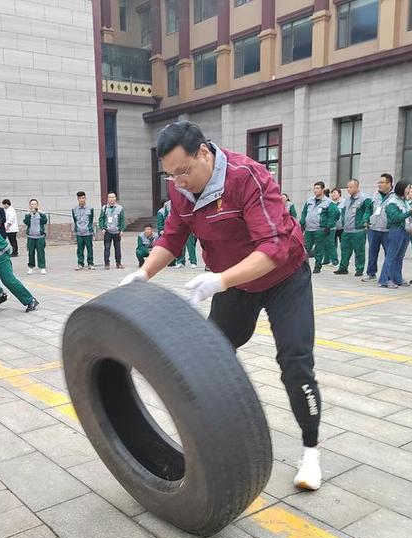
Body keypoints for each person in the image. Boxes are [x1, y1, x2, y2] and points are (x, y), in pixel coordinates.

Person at [120, 121, 322, 490]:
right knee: (206, 357)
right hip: (234, 283)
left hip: (284, 279)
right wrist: (144, 273)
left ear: (204, 153)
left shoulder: (249, 177)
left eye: (183, 172)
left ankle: (311, 451)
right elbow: (173, 236)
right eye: (170, 176)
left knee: (295, 364)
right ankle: (210, 439)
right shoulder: (181, 189)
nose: (178, 182)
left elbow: (273, 248)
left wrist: (219, 281)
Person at [378, 180, 412, 289]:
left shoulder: (404, 201)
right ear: (401, 188)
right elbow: (395, 218)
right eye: (408, 188)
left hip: (405, 230)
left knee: (399, 257)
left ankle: (397, 278)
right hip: (396, 230)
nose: (409, 190)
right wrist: (411, 212)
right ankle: (384, 279)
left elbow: (407, 216)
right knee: (391, 256)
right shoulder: (392, 202)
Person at [300, 181, 339, 273]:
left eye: (318, 188)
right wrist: (302, 222)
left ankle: (317, 267)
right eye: (314, 188)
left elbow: (334, 214)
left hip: (320, 229)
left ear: (322, 189)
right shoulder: (309, 201)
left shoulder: (329, 202)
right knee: (305, 248)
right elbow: (304, 212)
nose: (315, 190)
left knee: (319, 249)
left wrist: (328, 226)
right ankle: (301, 266)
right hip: (309, 230)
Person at [335, 179, 371, 276]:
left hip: (358, 230)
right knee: (344, 250)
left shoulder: (364, 198)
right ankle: (343, 268)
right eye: (347, 187)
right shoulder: (347, 199)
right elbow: (343, 212)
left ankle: (359, 269)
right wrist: (342, 221)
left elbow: (368, 211)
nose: (348, 189)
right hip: (346, 230)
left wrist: (364, 221)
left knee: (359, 251)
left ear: (357, 187)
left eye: (351, 187)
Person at [362, 174, 394, 282]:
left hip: (387, 230)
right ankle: (371, 274)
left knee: (388, 254)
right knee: (372, 253)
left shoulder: (394, 196)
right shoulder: (375, 195)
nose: (379, 184)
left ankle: (389, 275)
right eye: (379, 182)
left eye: (382, 182)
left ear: (389, 184)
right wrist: (366, 220)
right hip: (374, 229)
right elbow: (368, 209)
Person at [99, 191, 126, 269]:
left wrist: (122, 230)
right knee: (107, 248)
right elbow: (101, 219)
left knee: (117, 248)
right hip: (107, 231)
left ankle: (118, 263)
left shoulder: (120, 208)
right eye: (110, 197)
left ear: (115, 198)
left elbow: (122, 219)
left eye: (113, 197)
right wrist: (102, 228)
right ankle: (107, 263)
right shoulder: (104, 208)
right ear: (107, 199)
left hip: (117, 231)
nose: (111, 199)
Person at [72, 191, 96, 270]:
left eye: (83, 198)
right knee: (80, 249)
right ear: (77, 199)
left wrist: (89, 228)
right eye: (79, 198)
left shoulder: (90, 209)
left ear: (85, 198)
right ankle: (80, 263)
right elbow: (75, 220)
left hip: (88, 232)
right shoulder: (74, 209)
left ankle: (90, 263)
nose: (81, 200)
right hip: (79, 233)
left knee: (90, 249)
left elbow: (91, 219)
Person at [24, 198, 47, 274]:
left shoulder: (40, 213)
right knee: (31, 252)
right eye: (32, 204)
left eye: (35, 204)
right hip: (31, 237)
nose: (33, 205)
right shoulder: (28, 214)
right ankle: (31, 267)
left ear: (37, 205)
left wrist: (42, 214)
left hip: (40, 236)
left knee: (41, 252)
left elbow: (44, 221)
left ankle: (42, 267)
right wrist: (28, 215)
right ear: (30, 205)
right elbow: (26, 222)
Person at [328, 187, 343, 266]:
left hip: (342, 227)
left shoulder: (344, 202)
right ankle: (334, 260)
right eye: (332, 193)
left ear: (339, 194)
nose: (333, 194)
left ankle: (345, 259)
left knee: (343, 244)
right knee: (333, 244)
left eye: (335, 192)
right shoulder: (329, 203)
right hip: (333, 228)